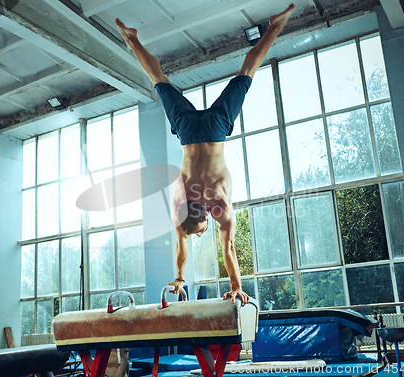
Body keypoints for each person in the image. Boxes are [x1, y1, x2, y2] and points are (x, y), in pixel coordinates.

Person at [115, 4, 295, 305]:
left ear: (205, 214)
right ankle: (131, 39)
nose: (201, 234)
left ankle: (277, 26)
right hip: (187, 132)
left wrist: (235, 284)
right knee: (159, 81)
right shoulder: (178, 204)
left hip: (214, 131)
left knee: (246, 74)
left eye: (200, 230)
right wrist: (180, 277)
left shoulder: (221, 205)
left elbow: (229, 250)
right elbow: (183, 243)